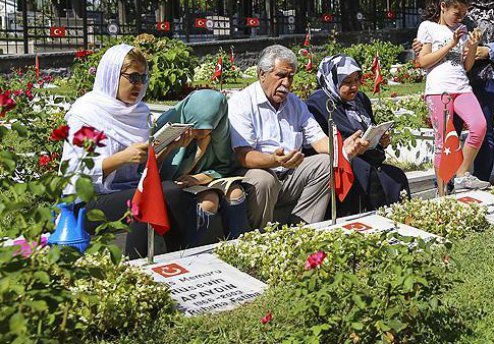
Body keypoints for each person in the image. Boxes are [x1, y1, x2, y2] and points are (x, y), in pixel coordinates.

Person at [61, 44, 196, 258]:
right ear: (112, 75)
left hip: (126, 192)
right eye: (133, 77)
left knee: (172, 191)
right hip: (88, 201)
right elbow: (73, 173)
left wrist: (170, 146)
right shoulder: (86, 114)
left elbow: (141, 169)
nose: (139, 85)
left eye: (143, 78)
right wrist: (122, 158)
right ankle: (136, 268)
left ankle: (181, 259)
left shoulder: (138, 112)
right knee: (144, 197)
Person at [228, 45, 370, 229]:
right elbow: (243, 155)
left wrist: (342, 148)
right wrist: (273, 160)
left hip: (290, 172)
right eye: (280, 75)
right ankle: (259, 238)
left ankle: (303, 229)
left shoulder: (294, 103)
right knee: (264, 180)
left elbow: (318, 139)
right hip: (257, 172)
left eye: (291, 76)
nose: (286, 83)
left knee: (326, 163)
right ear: (262, 74)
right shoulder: (242, 103)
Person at [413, 0, 494, 183]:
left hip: (487, 76)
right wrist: (419, 46)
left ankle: (479, 181)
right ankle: (449, 183)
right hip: (454, 79)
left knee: (484, 131)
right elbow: (430, 31)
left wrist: (487, 51)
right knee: (451, 132)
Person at [306, 55, 410, 216]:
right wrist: (361, 143)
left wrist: (380, 139)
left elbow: (369, 127)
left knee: (396, 176)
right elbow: (338, 134)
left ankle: (399, 219)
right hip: (340, 159)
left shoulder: (360, 99)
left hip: (367, 156)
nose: (354, 86)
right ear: (332, 80)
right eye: (347, 82)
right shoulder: (320, 101)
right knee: (364, 172)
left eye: (357, 80)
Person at [416, 0, 489, 190]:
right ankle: (441, 193)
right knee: (443, 141)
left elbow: (466, 66)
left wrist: (472, 45)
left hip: (462, 89)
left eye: (464, 13)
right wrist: (450, 44)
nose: (460, 16)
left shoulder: (462, 31)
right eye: (457, 11)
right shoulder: (428, 27)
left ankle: (461, 174)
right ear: (443, 6)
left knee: (479, 125)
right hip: (439, 91)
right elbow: (424, 61)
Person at [155, 89, 249, 242]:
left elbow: (224, 166)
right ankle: (190, 252)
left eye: (205, 131)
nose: (198, 135)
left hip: (204, 180)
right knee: (209, 203)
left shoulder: (220, 131)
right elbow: (162, 172)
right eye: (196, 129)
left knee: (236, 193)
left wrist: (198, 178)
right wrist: (198, 151)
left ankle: (237, 247)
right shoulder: (169, 124)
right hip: (174, 187)